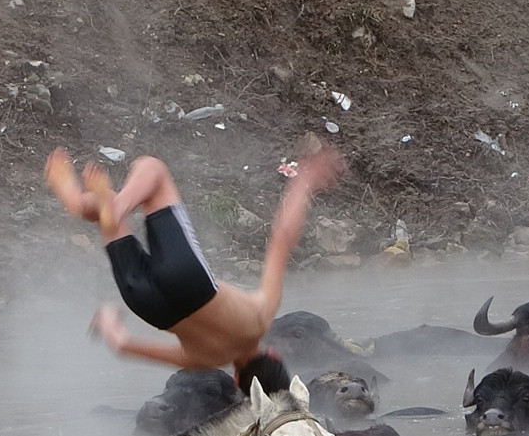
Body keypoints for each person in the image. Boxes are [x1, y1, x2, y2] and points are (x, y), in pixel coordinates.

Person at [46, 143, 345, 385]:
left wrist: (304, 183)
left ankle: (119, 207)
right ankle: (87, 202)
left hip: (191, 283)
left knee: (154, 170)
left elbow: (281, 238)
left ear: (275, 356)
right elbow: (122, 345)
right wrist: (107, 319)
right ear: (237, 379)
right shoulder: (204, 362)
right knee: (104, 203)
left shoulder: (261, 318)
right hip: (146, 302)